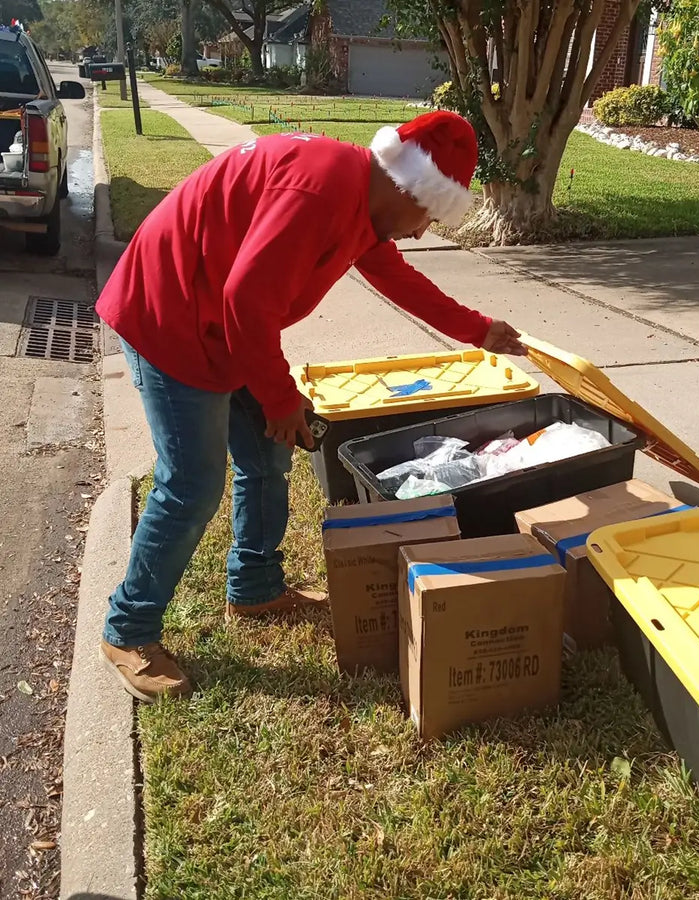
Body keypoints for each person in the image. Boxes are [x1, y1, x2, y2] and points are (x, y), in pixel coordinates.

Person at [95, 110, 526, 703]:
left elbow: (400, 281)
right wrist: (278, 398)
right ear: (404, 185)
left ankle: (254, 588)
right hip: (169, 315)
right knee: (192, 482)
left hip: (223, 326)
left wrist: (478, 329)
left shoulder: (361, 206)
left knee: (268, 455)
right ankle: (129, 630)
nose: (423, 231)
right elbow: (245, 299)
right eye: (428, 212)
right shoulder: (322, 187)